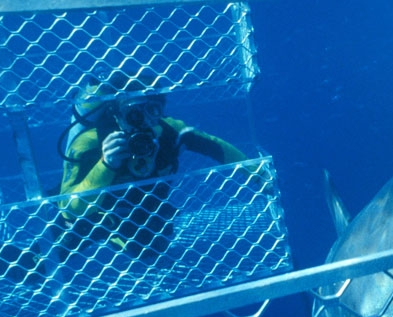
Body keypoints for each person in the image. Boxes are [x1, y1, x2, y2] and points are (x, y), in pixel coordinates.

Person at [57, 85, 250, 262]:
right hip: (86, 216)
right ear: (116, 113)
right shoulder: (90, 141)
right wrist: (105, 164)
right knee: (34, 268)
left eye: (152, 110)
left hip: (145, 209)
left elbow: (219, 148)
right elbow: (68, 208)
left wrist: (258, 174)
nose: (143, 122)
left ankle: (116, 229)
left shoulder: (170, 131)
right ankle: (103, 226)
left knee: (150, 251)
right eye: (132, 114)